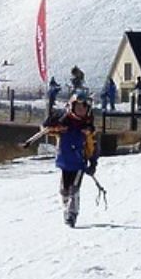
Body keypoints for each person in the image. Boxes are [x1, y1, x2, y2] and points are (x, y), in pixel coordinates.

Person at [41, 92, 97, 227]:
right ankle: (66, 209)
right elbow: (46, 128)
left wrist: (93, 163)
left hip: (79, 163)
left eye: (83, 108)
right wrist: (53, 123)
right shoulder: (63, 123)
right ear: (72, 107)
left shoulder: (87, 128)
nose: (81, 111)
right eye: (78, 108)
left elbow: (94, 146)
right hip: (65, 162)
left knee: (74, 189)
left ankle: (72, 214)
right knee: (64, 190)